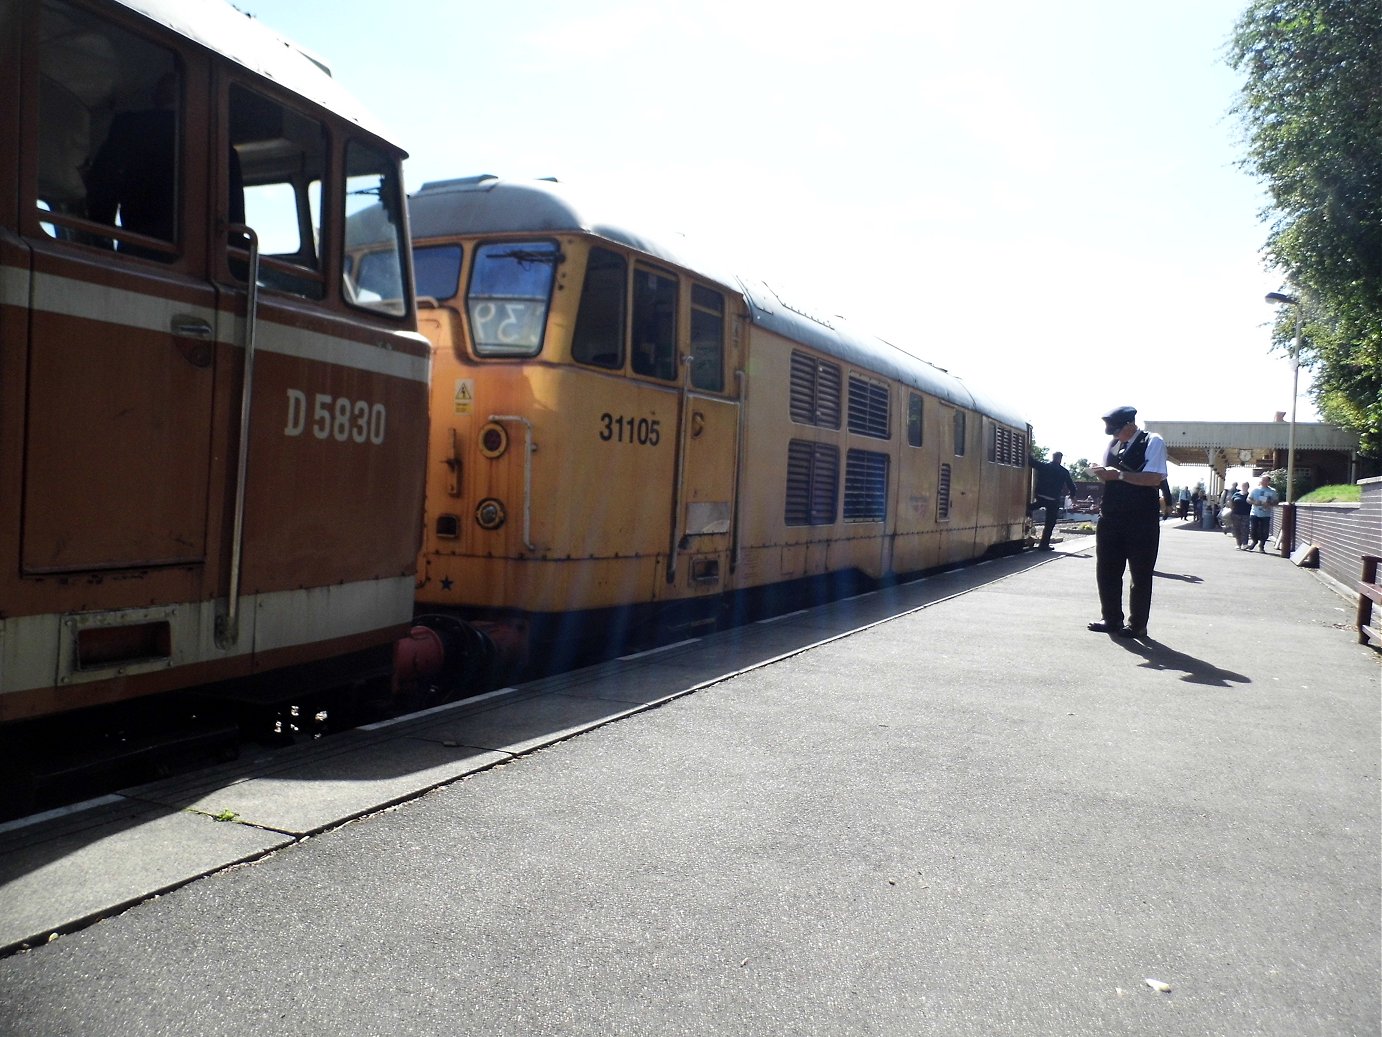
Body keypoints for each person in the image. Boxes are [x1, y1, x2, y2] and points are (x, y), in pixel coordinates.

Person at [1086, 405, 1168, 639]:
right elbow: (1111, 480)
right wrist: (1102, 473)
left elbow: (1154, 477)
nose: (1113, 436)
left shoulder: (1152, 442)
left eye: (1117, 431)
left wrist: (1119, 474)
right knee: (1107, 570)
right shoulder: (1112, 445)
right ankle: (1111, 618)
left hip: (1141, 518)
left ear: (1130, 425)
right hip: (1111, 515)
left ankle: (1137, 625)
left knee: (1140, 573)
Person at [1029, 451, 1078, 550]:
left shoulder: (1045, 466)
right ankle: (1044, 545)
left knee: (1037, 504)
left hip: (1041, 495)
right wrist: (1073, 497)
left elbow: (1032, 462)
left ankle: (1027, 509)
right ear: (1060, 459)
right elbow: (1072, 486)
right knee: (1050, 523)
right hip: (1053, 499)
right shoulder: (1064, 471)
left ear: (1052, 457)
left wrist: (1028, 453)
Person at [1246, 475, 1280, 553]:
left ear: (1268, 482)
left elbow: (1276, 501)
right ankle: (1254, 541)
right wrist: (1254, 502)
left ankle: (1262, 546)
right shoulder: (1255, 490)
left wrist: (1269, 503)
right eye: (1262, 480)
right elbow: (1248, 499)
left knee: (1264, 531)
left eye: (1265, 480)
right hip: (1255, 513)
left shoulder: (1272, 491)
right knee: (1253, 529)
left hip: (1266, 514)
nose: (1263, 482)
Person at [1229, 480, 1251, 549]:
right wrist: (1231, 510)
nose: (1244, 487)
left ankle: (1245, 544)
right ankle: (1238, 544)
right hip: (1236, 514)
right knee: (1237, 529)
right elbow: (1231, 502)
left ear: (1248, 487)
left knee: (1245, 529)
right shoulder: (1236, 494)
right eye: (1243, 486)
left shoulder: (1249, 495)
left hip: (1246, 514)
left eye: (1246, 486)